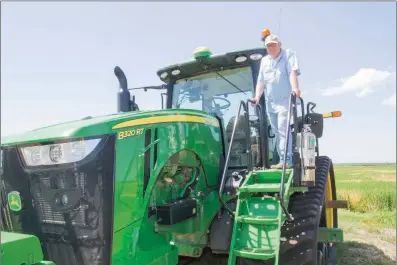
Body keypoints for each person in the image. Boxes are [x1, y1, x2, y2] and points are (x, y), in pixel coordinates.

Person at [251, 33, 301, 169]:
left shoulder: (288, 55)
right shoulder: (265, 61)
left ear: (280, 45)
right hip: (270, 103)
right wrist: (256, 97)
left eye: (273, 45)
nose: (271, 48)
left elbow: (292, 72)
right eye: (268, 46)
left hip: (285, 100)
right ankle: (282, 159)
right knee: (276, 131)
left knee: (283, 129)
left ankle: (287, 160)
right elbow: (261, 81)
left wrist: (296, 88)